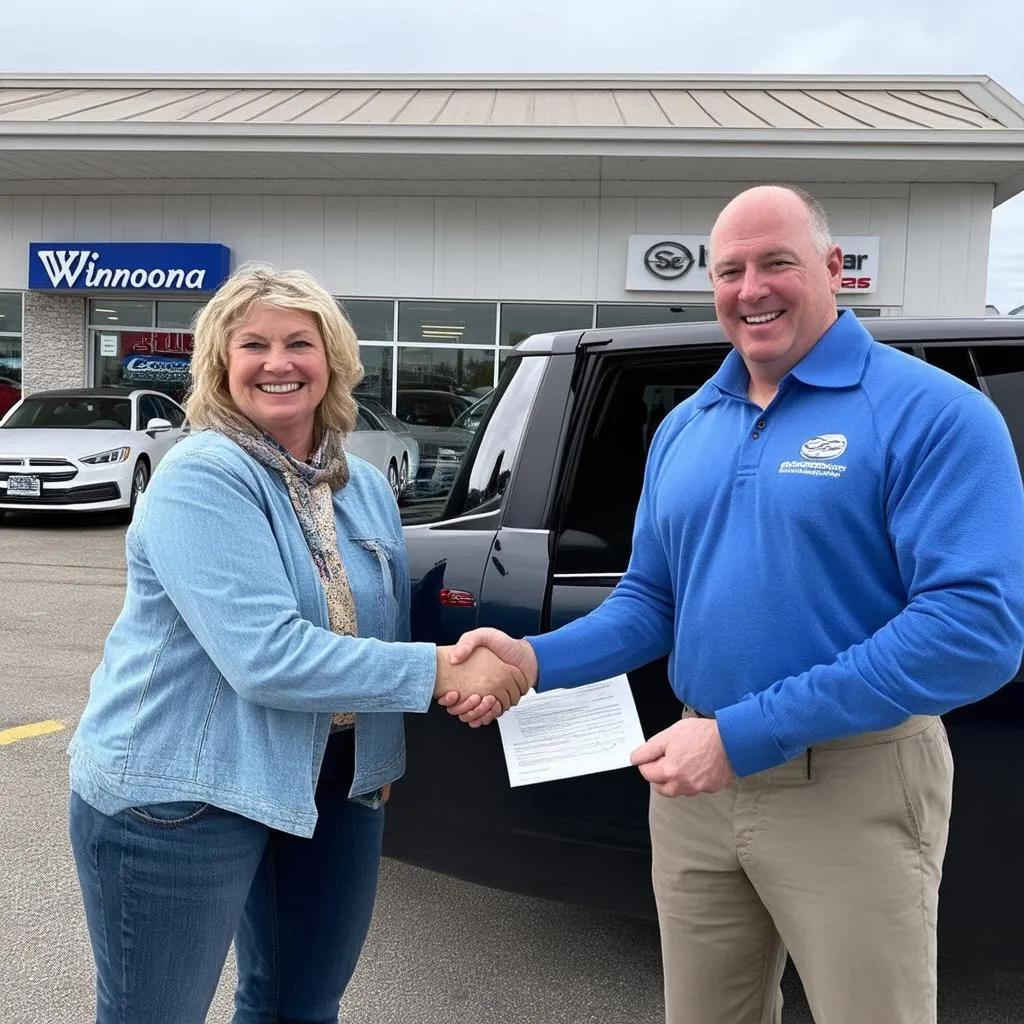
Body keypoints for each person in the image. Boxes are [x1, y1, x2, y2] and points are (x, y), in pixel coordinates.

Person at [445, 185, 1024, 1024]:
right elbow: (651, 600)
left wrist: (745, 735)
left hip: (849, 779)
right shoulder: (686, 425)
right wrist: (536, 660)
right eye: (731, 270)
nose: (752, 288)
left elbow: (974, 631)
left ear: (834, 270)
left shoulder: (933, 414)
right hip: (696, 787)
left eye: (777, 262)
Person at [67, 264, 528, 1024]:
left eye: (298, 343)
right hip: (181, 789)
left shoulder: (361, 481)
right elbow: (268, 656)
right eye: (253, 345)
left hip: (333, 782)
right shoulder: (203, 475)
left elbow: (382, 624)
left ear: (333, 360)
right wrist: (447, 669)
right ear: (221, 364)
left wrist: (379, 754)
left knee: (301, 1007)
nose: (278, 363)